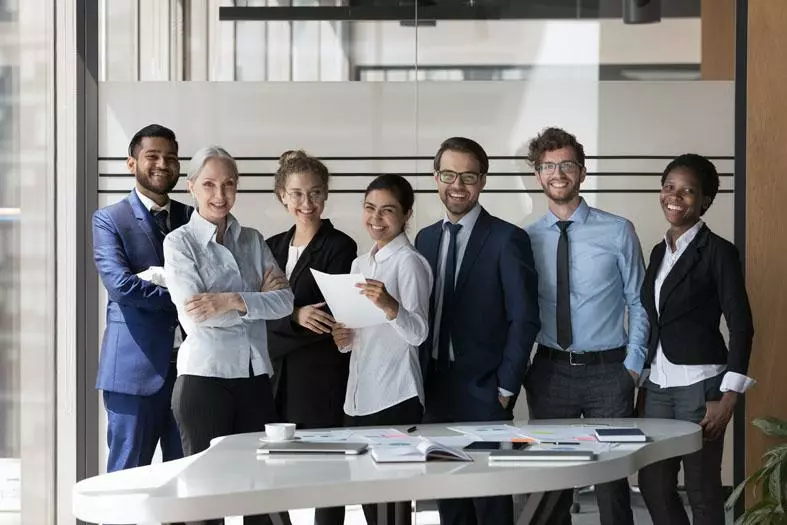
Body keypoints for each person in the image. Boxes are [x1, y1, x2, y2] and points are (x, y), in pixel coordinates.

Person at [523, 127, 649, 525]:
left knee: (612, 485)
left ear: (582, 171)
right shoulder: (525, 239)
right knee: (552, 484)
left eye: (566, 164)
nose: (557, 173)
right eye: (548, 166)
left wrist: (633, 364)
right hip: (550, 371)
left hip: (610, 372)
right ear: (538, 175)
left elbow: (640, 301)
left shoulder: (617, 230)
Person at [164, 146, 294, 525]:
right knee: (206, 502)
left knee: (264, 499)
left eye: (228, 184)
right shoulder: (179, 243)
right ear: (191, 187)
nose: (219, 195)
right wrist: (255, 303)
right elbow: (196, 317)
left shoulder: (252, 240)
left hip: (254, 380)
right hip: (204, 382)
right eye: (209, 185)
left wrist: (231, 299)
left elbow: (285, 302)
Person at [415, 137, 540, 525]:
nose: (457, 185)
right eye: (449, 174)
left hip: (485, 389)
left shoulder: (507, 239)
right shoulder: (425, 238)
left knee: (490, 504)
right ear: (436, 178)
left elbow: (526, 319)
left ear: (482, 181)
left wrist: (505, 387)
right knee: (449, 500)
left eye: (468, 176)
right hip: (435, 387)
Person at [638, 154, 754, 525]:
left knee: (702, 490)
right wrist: (643, 375)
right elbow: (655, 320)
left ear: (704, 200)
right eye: (669, 187)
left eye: (688, 191)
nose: (675, 196)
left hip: (701, 387)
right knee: (653, 485)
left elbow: (741, 324)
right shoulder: (659, 252)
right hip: (657, 386)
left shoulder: (718, 251)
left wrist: (730, 395)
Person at [331, 174, 432, 525]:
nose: (376, 218)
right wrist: (343, 339)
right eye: (370, 208)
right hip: (358, 398)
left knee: (393, 507)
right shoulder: (360, 264)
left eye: (387, 210)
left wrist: (390, 306)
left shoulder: (410, 263)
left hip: (395, 396)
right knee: (368, 502)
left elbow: (418, 333)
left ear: (406, 214)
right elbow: (359, 335)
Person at [93, 124, 191, 474]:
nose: (163, 164)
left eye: (171, 157)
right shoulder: (109, 219)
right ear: (131, 163)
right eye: (152, 156)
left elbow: (214, 284)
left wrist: (160, 282)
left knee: (189, 480)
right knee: (127, 479)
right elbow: (121, 286)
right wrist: (185, 294)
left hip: (191, 372)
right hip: (133, 372)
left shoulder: (193, 218)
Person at [266, 150, 357, 525]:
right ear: (283, 196)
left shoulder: (340, 246)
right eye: (298, 194)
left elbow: (326, 317)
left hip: (318, 378)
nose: (307, 203)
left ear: (326, 195)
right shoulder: (269, 246)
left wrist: (281, 313)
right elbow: (255, 313)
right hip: (272, 378)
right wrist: (295, 314)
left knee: (327, 477)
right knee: (268, 477)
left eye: (316, 193)